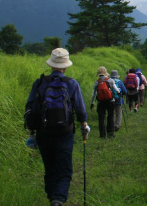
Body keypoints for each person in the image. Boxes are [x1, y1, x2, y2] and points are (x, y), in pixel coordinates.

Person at [25, 48, 90, 206]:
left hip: (43, 133)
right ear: (65, 67)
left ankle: (51, 196)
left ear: (51, 65)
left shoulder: (39, 83)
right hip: (65, 133)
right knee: (64, 169)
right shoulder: (71, 83)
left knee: (50, 167)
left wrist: (32, 133)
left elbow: (31, 109)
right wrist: (84, 127)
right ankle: (58, 199)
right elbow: (81, 110)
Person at [90, 66, 120, 138]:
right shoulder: (110, 80)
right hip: (110, 101)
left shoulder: (97, 82)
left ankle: (102, 135)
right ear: (105, 73)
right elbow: (116, 90)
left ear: (99, 74)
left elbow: (93, 94)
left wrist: (92, 103)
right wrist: (119, 92)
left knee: (101, 118)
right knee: (110, 116)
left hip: (101, 102)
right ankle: (110, 133)